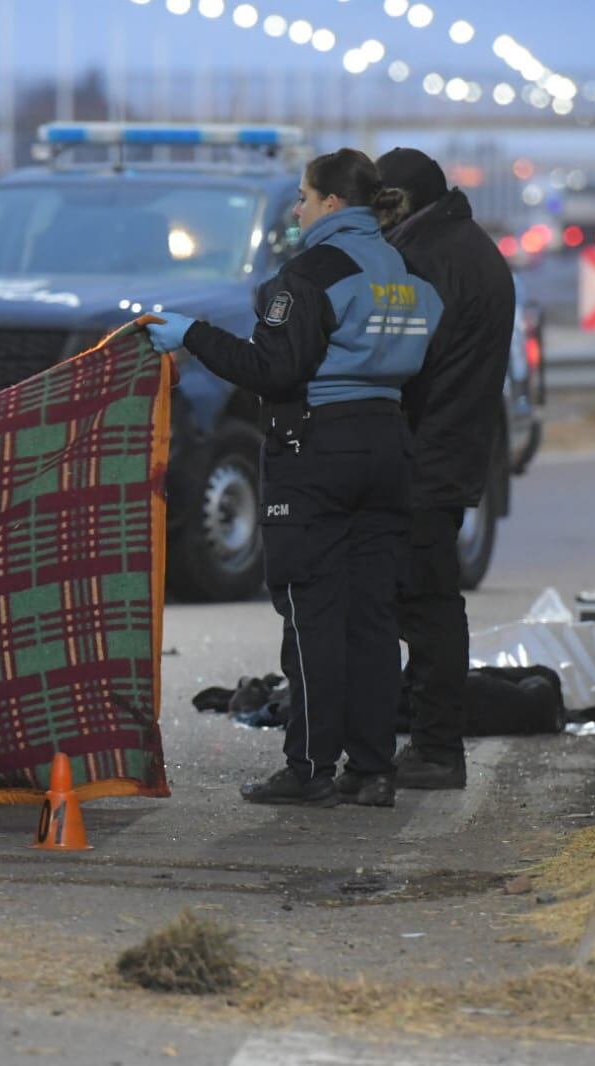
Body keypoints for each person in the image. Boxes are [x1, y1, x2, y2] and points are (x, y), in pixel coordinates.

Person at [145, 149, 443, 808]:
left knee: (310, 616)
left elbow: (274, 370)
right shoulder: (404, 270)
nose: (298, 209)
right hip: (387, 447)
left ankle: (307, 767)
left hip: (317, 451)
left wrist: (190, 335)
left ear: (332, 203)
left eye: (304, 197)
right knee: (371, 620)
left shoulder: (309, 273)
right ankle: (370, 770)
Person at [373, 147, 516, 790]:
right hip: (453, 448)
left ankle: (435, 749)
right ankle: (430, 740)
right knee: (428, 599)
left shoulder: (421, 259)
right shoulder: (468, 245)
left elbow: (403, 365)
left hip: (425, 452)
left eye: (378, 205)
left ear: (400, 203)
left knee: (426, 604)